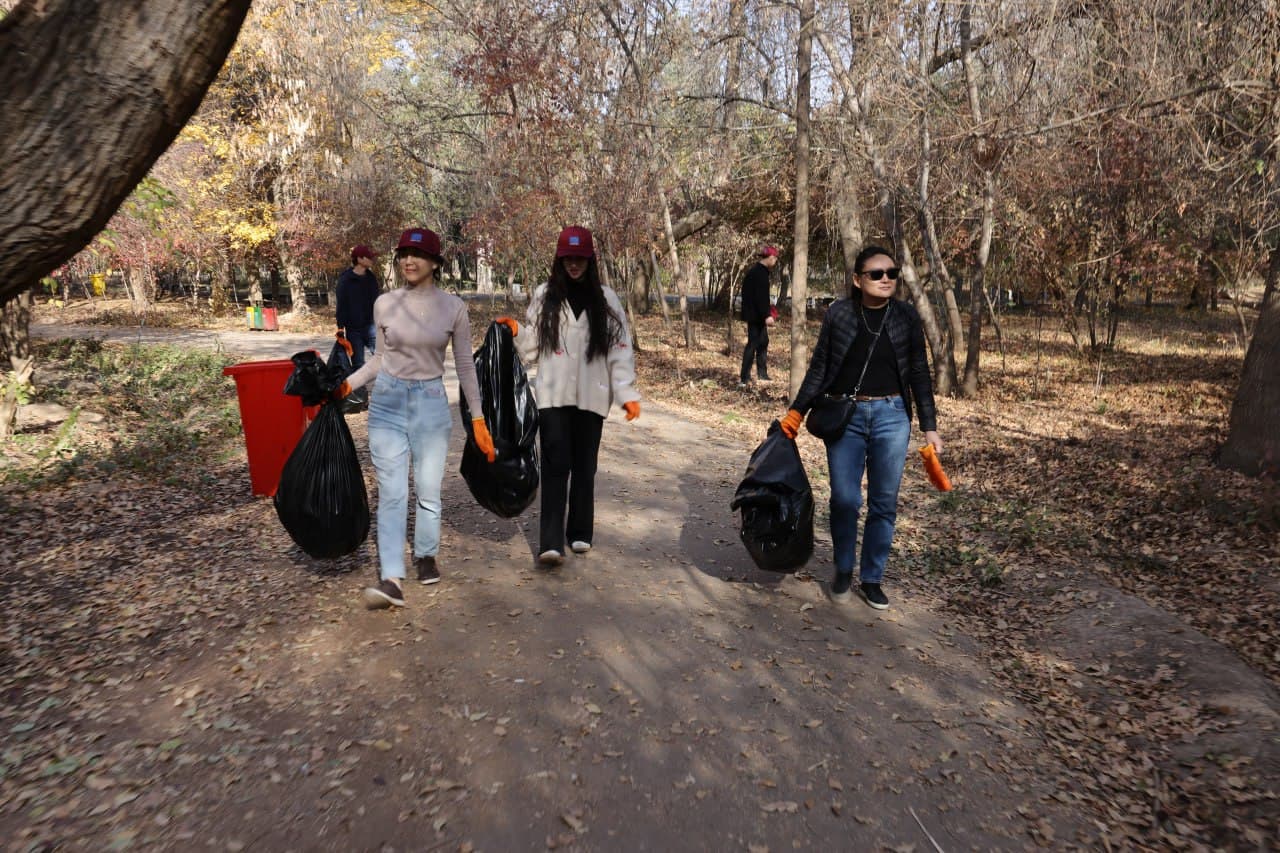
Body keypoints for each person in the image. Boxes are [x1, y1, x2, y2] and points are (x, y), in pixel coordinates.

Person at [776, 245, 942, 611]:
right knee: (845, 498)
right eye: (877, 274)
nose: (886, 280)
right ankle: (843, 568)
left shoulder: (906, 317)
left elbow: (918, 371)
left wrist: (929, 427)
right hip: (845, 418)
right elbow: (820, 366)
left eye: (892, 274)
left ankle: (872, 578)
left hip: (892, 416)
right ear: (857, 279)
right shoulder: (840, 314)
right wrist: (796, 412)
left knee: (884, 502)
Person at [337, 228, 496, 609]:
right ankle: (392, 577)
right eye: (404, 253)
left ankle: (425, 553)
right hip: (388, 402)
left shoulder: (453, 308)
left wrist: (478, 418)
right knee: (392, 493)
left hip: (430, 403)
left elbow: (464, 366)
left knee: (427, 490)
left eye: (418, 254)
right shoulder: (385, 303)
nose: (409, 260)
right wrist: (346, 385)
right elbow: (379, 359)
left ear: (436, 263)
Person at [495, 225, 641, 567]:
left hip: (593, 396)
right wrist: (517, 331)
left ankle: (580, 532)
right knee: (556, 465)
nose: (574, 265)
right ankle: (550, 541)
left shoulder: (607, 300)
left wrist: (626, 393)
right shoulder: (545, 295)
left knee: (585, 467)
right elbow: (532, 347)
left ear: (590, 260)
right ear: (559, 260)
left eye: (580, 258)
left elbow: (621, 351)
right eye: (568, 259)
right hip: (554, 396)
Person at [739, 245, 779, 387]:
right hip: (756, 316)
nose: (775, 262)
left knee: (763, 341)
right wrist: (766, 315)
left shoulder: (757, 271)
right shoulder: (760, 274)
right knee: (753, 344)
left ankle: (762, 374)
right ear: (770, 258)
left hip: (755, 314)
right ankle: (744, 378)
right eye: (775, 259)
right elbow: (760, 298)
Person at [336, 245, 381, 371]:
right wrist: (340, 327)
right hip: (353, 330)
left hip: (371, 326)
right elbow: (342, 304)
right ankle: (361, 390)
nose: (372, 259)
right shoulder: (345, 280)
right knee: (358, 365)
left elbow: (377, 302)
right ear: (360, 259)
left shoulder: (371, 278)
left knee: (384, 359)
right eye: (369, 257)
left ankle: (389, 388)